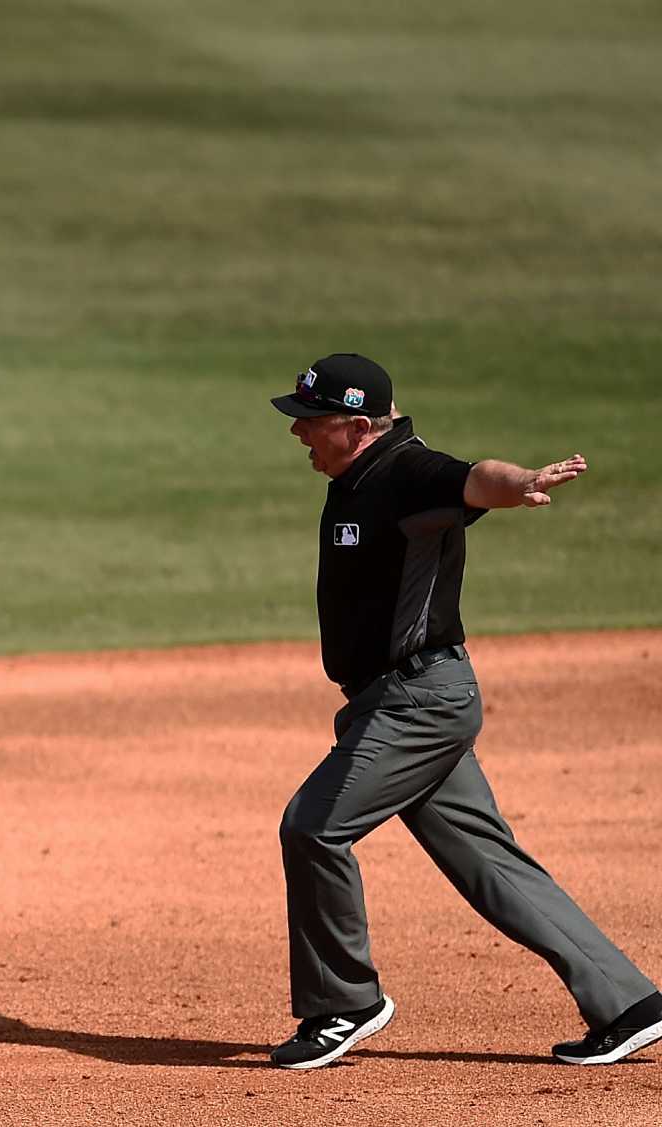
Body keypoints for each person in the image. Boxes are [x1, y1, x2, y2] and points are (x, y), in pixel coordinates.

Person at [267, 354, 661, 1070]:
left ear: (358, 426)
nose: (299, 435)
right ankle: (627, 1001)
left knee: (314, 825)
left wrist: (525, 483)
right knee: (493, 866)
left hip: (417, 701)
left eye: (311, 422)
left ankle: (345, 1002)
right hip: (400, 703)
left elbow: (476, 478)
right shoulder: (354, 475)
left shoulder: (407, 473)